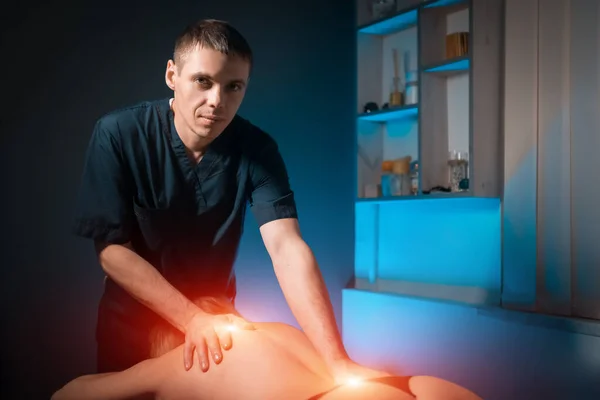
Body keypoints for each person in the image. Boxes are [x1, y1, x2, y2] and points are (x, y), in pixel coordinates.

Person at [71, 18, 383, 382]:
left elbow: (287, 248)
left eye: (234, 86)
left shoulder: (257, 149)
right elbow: (111, 251)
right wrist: (191, 320)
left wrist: (337, 360)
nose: (217, 101)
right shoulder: (118, 134)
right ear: (173, 75)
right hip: (132, 327)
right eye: (203, 81)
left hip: (216, 329)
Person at [52, 296, 484, 400]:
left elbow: (68, 395)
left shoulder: (184, 360)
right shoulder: (271, 328)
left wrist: (144, 374)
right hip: (414, 386)